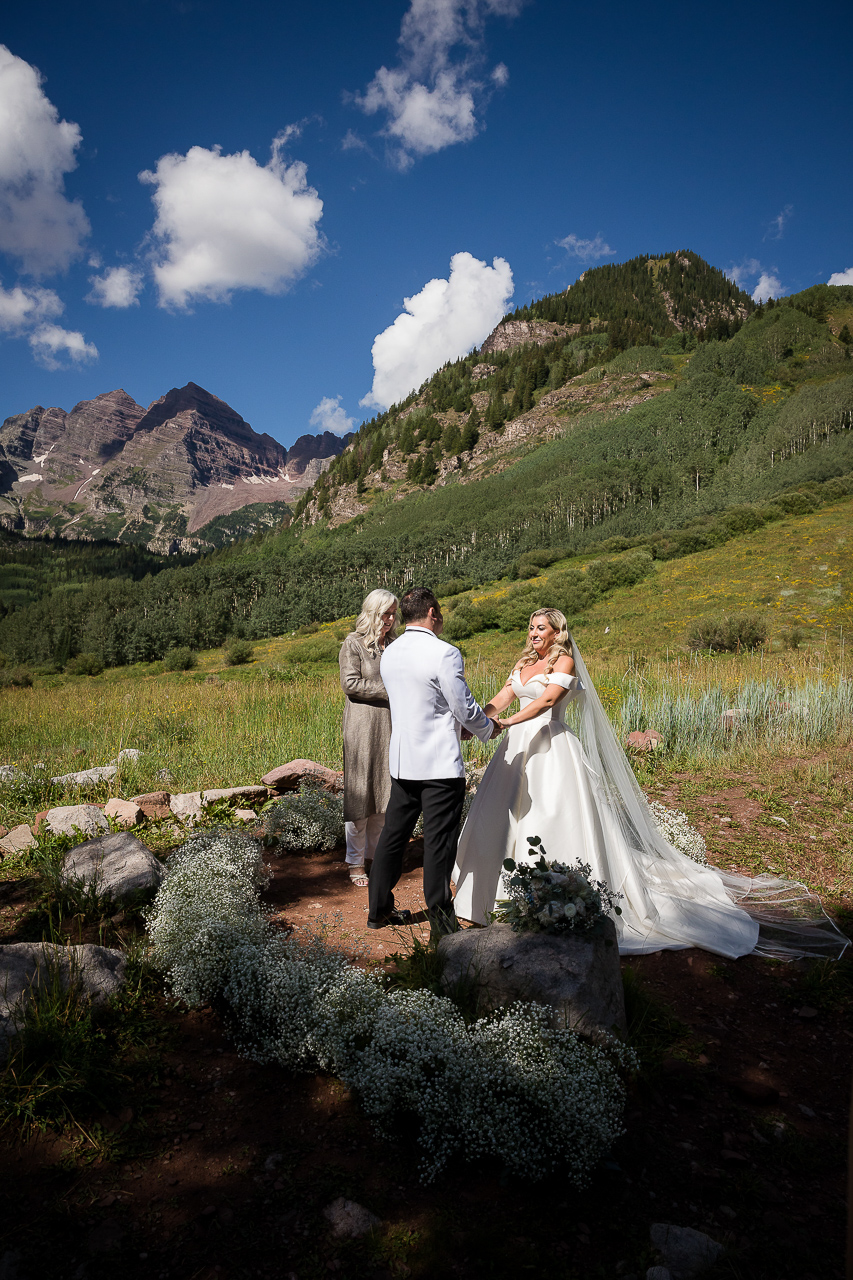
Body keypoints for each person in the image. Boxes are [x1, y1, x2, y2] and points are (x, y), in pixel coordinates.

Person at [453, 608, 848, 959]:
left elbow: (544, 703)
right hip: (516, 749)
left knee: (550, 815)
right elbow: (504, 697)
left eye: (541, 628)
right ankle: (490, 897)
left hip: (550, 747)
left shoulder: (566, 662)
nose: (534, 633)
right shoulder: (523, 664)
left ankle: (556, 896)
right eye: (531, 628)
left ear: (558, 633)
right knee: (500, 820)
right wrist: (478, 723)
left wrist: (504, 724)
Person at [367, 586, 503, 937]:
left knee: (393, 836)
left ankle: (377, 910)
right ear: (431, 614)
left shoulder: (391, 652)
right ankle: (442, 923)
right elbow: (461, 704)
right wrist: (486, 728)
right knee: (439, 842)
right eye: (439, 612)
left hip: (402, 761)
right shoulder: (445, 653)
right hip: (439, 764)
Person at [339, 590, 399, 887]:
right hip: (362, 727)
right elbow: (350, 684)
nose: (389, 620)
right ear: (371, 612)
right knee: (360, 796)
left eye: (393, 614)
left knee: (384, 796)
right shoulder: (353, 644)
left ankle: (375, 858)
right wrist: (391, 688)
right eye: (384, 614)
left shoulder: (397, 645)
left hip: (391, 726)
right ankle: (354, 862)